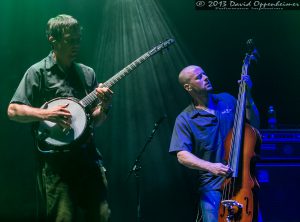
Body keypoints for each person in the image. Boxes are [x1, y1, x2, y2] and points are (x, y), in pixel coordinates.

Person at [7, 14, 112, 221]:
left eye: (78, 40)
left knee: (102, 216)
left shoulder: (86, 74)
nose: (76, 45)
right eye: (69, 40)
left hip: (88, 160)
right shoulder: (37, 72)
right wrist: (47, 114)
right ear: (52, 40)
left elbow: (95, 121)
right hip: (57, 165)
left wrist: (105, 105)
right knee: (63, 218)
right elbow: (13, 111)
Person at [169, 65, 260, 222]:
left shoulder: (227, 100)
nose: (205, 77)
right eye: (199, 77)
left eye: (204, 73)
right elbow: (182, 155)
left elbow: (254, 125)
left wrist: (249, 96)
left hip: (242, 182)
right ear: (188, 87)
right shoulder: (185, 119)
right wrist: (211, 166)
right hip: (213, 187)